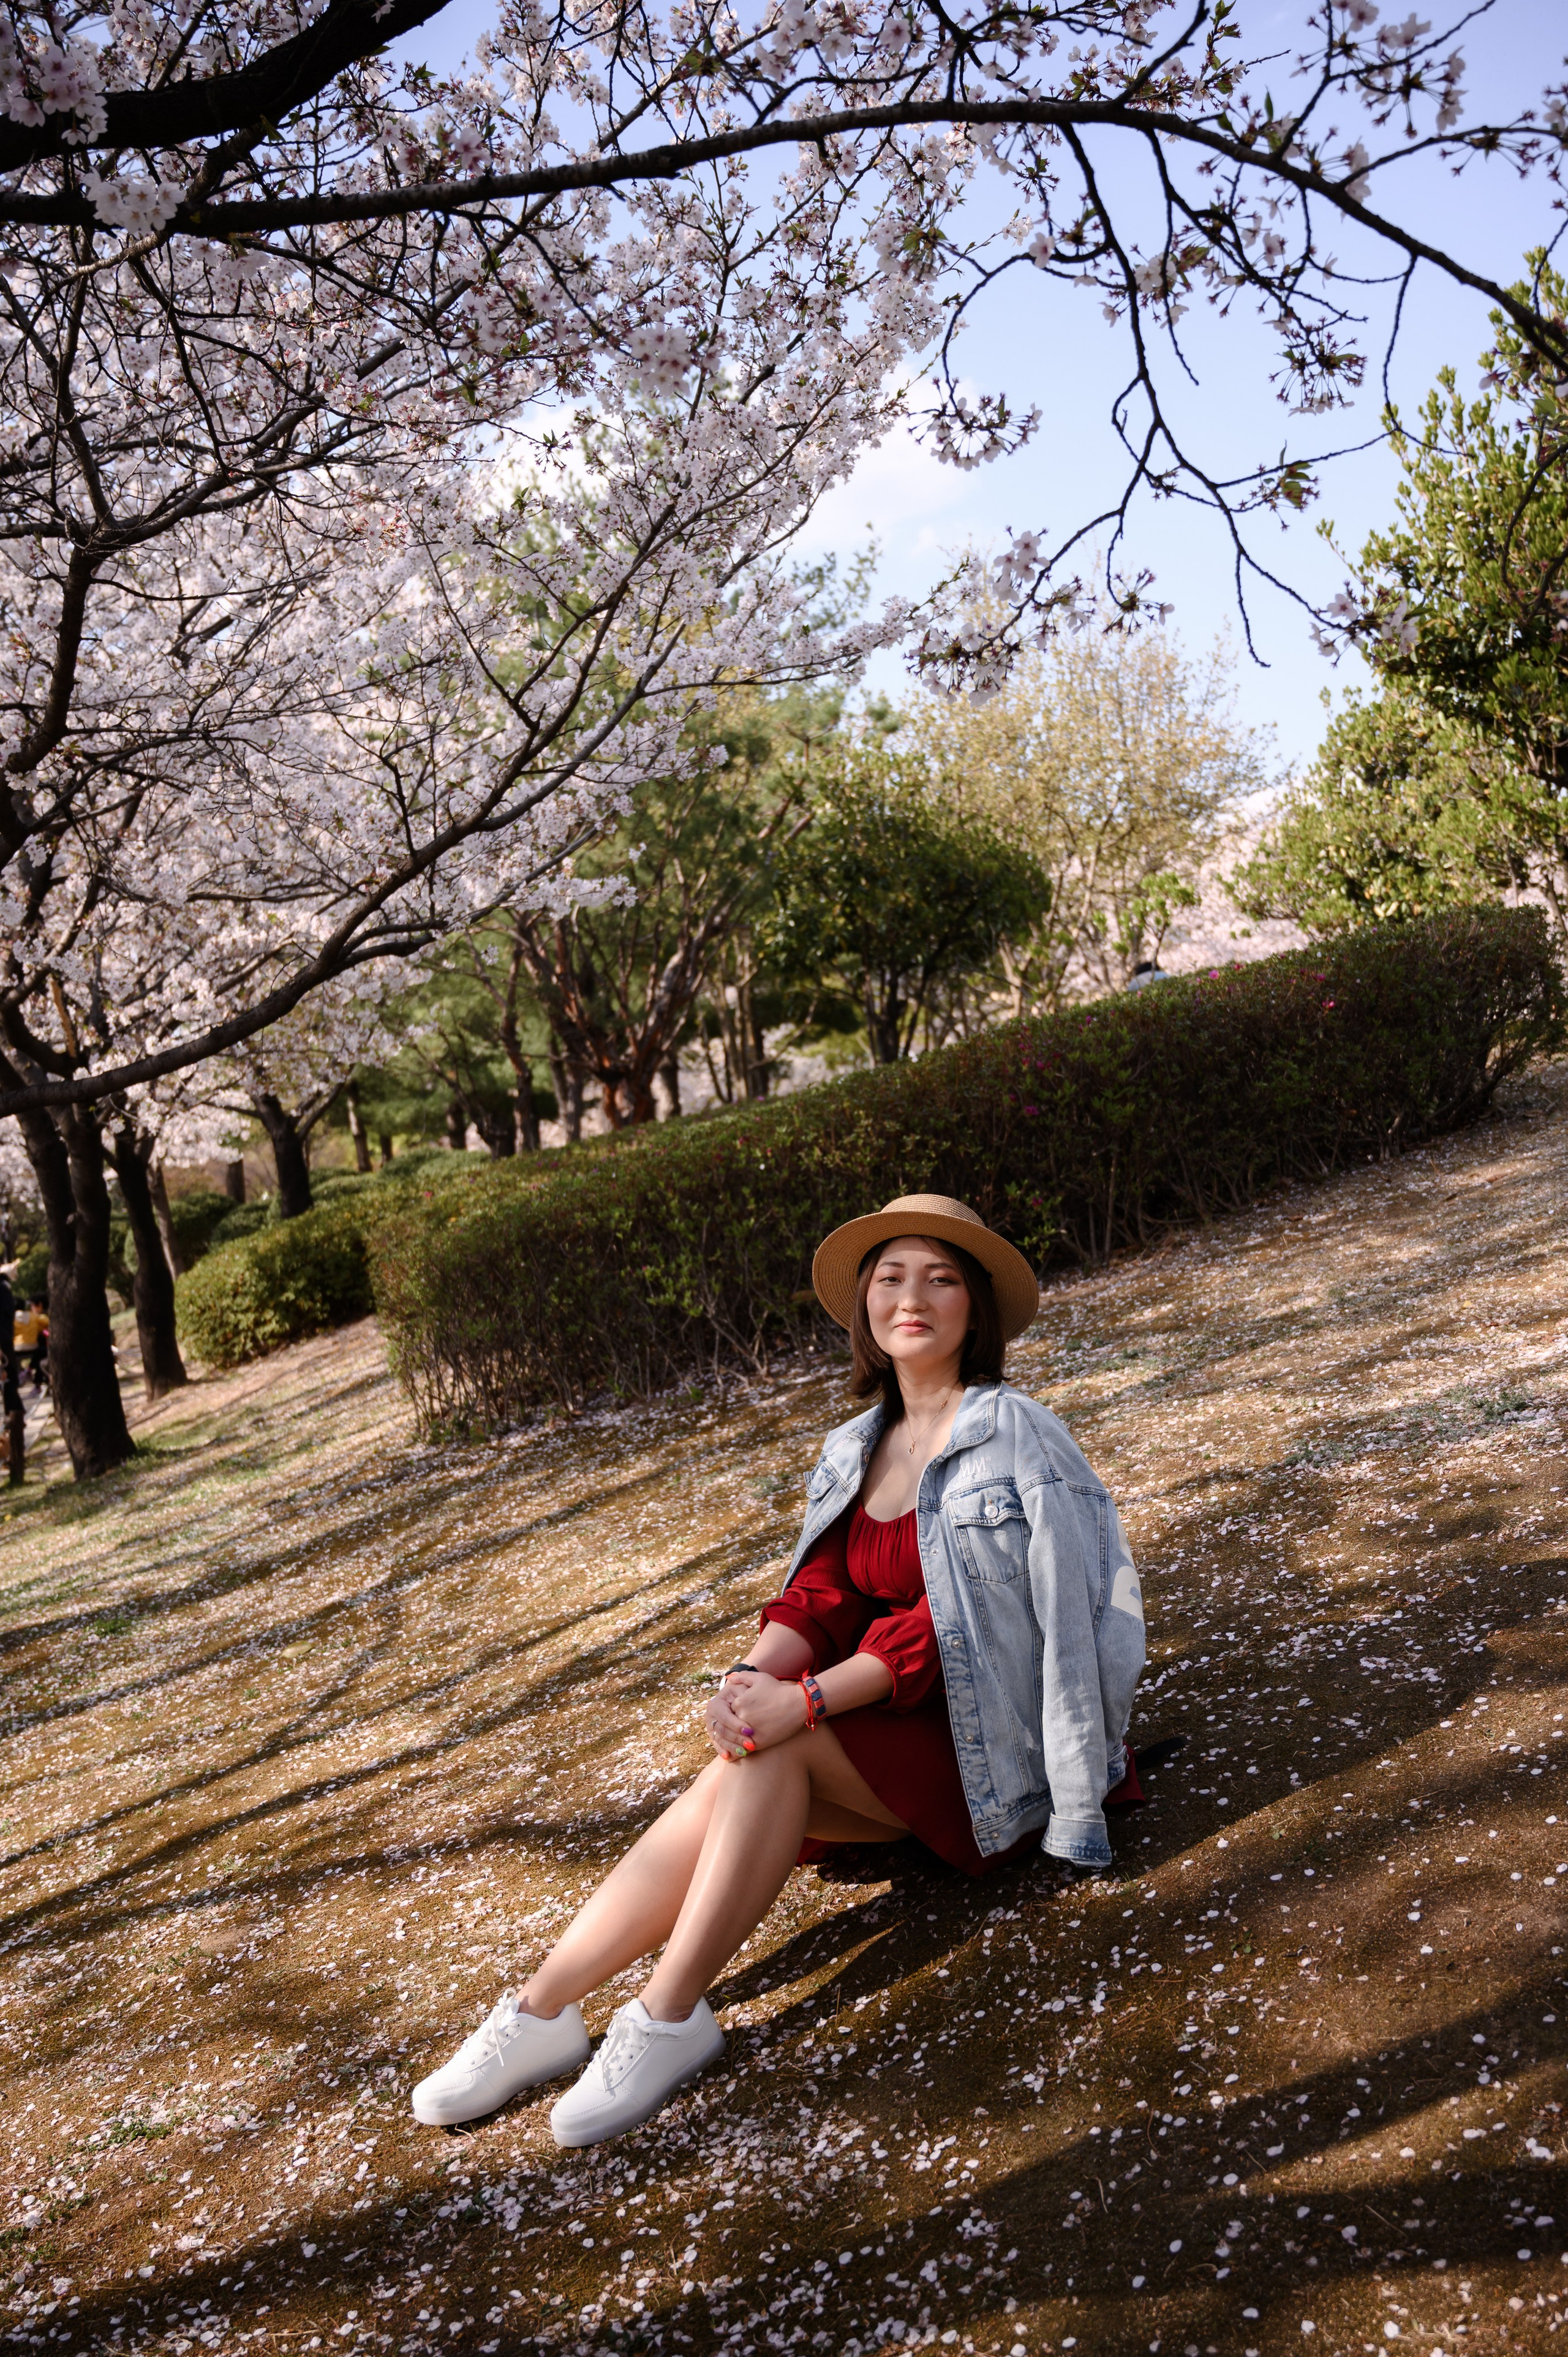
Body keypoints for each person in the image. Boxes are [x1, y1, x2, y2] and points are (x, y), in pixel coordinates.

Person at [410, 1193, 1146, 2148]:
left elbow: (971, 1627)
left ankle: (667, 2016)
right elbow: (821, 1600)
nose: (911, 1298)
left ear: (977, 1311)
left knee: (772, 1752)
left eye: (941, 1278)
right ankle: (542, 2012)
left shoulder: (1017, 1435)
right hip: (883, 1731)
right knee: (745, 1751)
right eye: (890, 1278)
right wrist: (747, 1684)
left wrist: (802, 1703)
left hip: (992, 1753)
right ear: (865, 1311)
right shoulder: (853, 1447)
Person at [14, 1294, 47, 1391]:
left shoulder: (11, 1318)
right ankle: (32, 1376)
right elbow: (46, 1323)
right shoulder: (33, 1316)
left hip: (16, 1349)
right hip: (33, 1347)